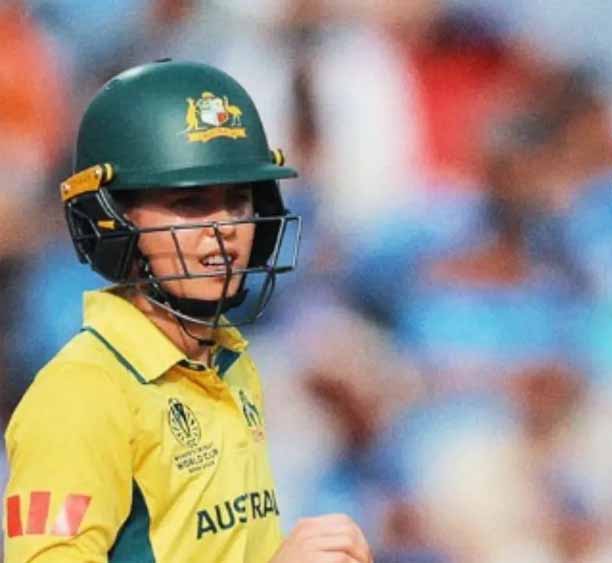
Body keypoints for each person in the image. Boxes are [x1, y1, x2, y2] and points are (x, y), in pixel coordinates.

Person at [2, 60, 372, 563]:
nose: (226, 228)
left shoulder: (228, 360)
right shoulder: (80, 394)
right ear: (112, 220)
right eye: (191, 203)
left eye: (238, 200)